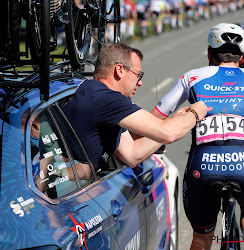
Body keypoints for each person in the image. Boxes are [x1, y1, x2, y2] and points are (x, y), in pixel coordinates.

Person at [151, 23, 244, 249]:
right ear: (241, 58)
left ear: (210, 54)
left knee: (201, 237)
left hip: (203, 168)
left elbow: (156, 118)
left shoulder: (192, 77)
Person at [62, 42, 207, 173]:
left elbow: (131, 154)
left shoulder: (93, 92)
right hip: (73, 189)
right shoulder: (108, 100)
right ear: (119, 70)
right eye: (138, 75)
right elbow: (168, 133)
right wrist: (196, 112)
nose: (140, 83)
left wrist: (175, 119)